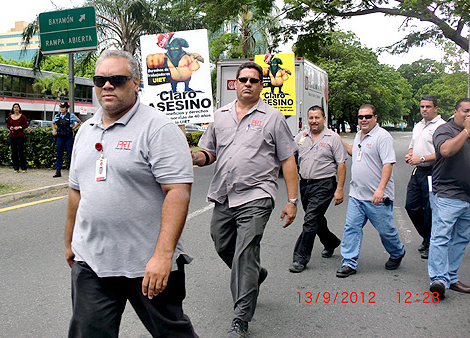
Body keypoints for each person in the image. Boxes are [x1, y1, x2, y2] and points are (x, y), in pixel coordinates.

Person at [65, 49, 197, 338]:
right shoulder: (85, 131)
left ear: (135, 83)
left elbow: (177, 192)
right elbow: (76, 192)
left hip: (147, 264)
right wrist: (70, 242)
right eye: (100, 80)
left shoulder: (159, 129)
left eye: (117, 79)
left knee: (172, 334)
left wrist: (163, 256)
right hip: (93, 262)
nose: (107, 86)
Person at [192, 61, 298, 338]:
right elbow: (209, 153)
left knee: (245, 253)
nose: (248, 84)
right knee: (221, 242)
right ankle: (255, 274)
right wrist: (196, 157)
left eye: (253, 80)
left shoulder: (273, 118)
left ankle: (240, 318)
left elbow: (288, 159)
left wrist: (292, 200)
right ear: (235, 84)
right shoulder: (220, 116)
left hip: (257, 194)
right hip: (224, 194)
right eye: (243, 79)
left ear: (261, 85)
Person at [336, 104, 405, 278]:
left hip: (376, 197)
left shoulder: (383, 137)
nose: (364, 120)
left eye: (367, 116)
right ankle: (348, 262)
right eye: (361, 117)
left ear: (375, 118)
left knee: (385, 230)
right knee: (351, 227)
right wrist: (338, 140)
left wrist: (380, 189)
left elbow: (388, 164)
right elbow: (355, 152)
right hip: (356, 195)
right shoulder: (359, 135)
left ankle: (397, 252)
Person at [289, 105, 347, 273]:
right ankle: (330, 242)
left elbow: (341, 165)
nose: (314, 121)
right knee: (315, 218)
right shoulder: (301, 136)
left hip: (325, 184)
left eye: (317, 117)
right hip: (305, 184)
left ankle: (300, 258)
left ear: (324, 119)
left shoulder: (333, 138)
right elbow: (290, 156)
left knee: (310, 219)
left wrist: (339, 189)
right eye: (311, 118)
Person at [428, 98, 470, 300]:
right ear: (455, 112)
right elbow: (446, 151)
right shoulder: (445, 130)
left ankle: (451, 276)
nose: (469, 115)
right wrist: (466, 130)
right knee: (441, 236)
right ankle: (438, 279)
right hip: (448, 194)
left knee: (461, 239)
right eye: (466, 111)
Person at [404, 95, 446, 259]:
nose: (424, 109)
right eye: (422, 106)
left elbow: (443, 153)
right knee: (411, 206)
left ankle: (431, 242)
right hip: (418, 171)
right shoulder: (418, 125)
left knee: (430, 209)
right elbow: (412, 146)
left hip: (433, 171)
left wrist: (421, 158)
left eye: (428, 106)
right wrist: (410, 154)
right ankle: (427, 235)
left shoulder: (441, 127)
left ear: (436, 108)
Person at [52, 102, 81, 178]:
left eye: (63, 107)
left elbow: (79, 122)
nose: (61, 109)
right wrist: (54, 130)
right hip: (60, 137)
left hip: (68, 137)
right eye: (61, 107)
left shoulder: (71, 115)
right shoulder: (57, 116)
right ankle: (58, 171)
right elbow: (53, 123)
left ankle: (72, 171)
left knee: (70, 154)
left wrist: (73, 128)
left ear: (66, 108)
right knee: (59, 154)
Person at [6, 103, 28, 173]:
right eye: (15, 107)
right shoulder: (10, 117)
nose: (16, 109)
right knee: (14, 151)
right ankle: (16, 167)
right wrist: (10, 128)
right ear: (13, 109)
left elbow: (26, 125)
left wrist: (19, 127)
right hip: (12, 135)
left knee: (20, 151)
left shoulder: (22, 116)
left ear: (19, 109)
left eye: (17, 107)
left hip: (20, 135)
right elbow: (8, 125)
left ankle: (23, 167)